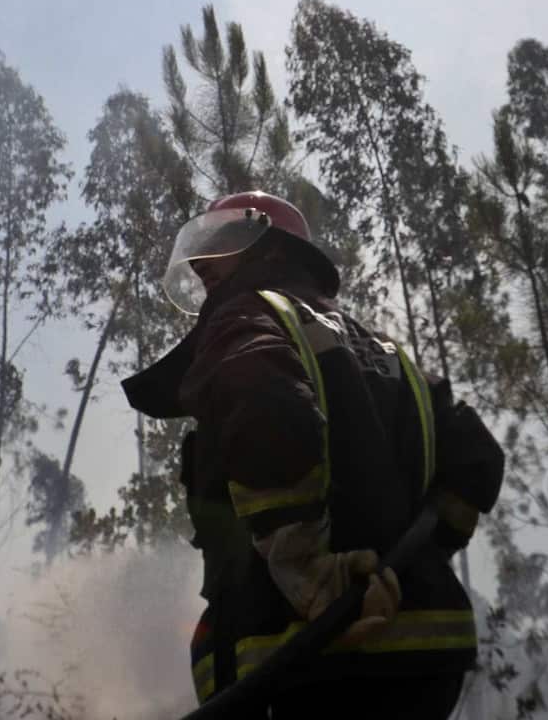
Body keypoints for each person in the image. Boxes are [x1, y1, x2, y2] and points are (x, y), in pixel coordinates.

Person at [122, 190, 505, 719]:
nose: (203, 265)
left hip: (308, 660)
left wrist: (312, 573)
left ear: (270, 251)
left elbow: (268, 409)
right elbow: (474, 457)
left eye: (220, 245)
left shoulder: (246, 313)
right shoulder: (385, 351)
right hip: (425, 659)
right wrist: (413, 562)